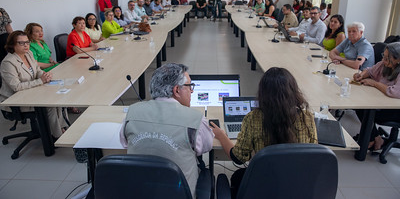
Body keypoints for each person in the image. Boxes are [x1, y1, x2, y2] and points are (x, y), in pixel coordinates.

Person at [210, 67, 317, 196]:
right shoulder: (307, 117)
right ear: (293, 90)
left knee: (238, 175)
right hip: (297, 184)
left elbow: (238, 158)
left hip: (263, 183)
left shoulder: (253, 118)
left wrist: (222, 136)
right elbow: (313, 152)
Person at [120, 63, 214, 197]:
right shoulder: (195, 119)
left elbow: (124, 143)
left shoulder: (132, 112)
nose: (192, 91)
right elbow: (206, 146)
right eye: (189, 87)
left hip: (139, 192)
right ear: (177, 90)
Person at [0, 31, 68, 139]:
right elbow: (16, 87)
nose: (26, 45)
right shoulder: (8, 62)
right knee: (49, 106)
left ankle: (61, 127)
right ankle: (57, 136)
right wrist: (41, 81)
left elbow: (37, 70)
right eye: (21, 43)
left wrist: (45, 75)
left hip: (30, 92)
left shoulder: (28, 54)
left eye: (27, 42)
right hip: (15, 100)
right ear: (12, 44)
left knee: (57, 98)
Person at [353, 42, 400, 150]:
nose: (384, 60)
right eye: (384, 56)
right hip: (383, 101)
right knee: (359, 105)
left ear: (398, 60)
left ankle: (371, 138)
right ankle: (375, 137)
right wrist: (361, 75)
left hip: (395, 109)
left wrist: (375, 83)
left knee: (365, 109)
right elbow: (370, 71)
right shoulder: (384, 64)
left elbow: (394, 92)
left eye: (388, 58)